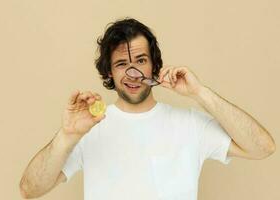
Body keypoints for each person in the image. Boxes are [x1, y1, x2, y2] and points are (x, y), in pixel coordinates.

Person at [19, 18, 276, 200]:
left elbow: (263, 147)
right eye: (121, 64)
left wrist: (200, 93)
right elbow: (29, 190)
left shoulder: (191, 124)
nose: (133, 73)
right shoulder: (90, 129)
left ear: (154, 66)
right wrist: (66, 136)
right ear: (110, 71)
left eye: (141, 61)